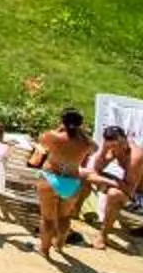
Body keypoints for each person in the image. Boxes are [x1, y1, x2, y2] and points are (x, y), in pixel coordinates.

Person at [30, 110, 96, 263]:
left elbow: (41, 140)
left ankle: (44, 250)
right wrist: (81, 133)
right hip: (71, 181)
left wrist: (59, 129)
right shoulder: (85, 143)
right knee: (64, 217)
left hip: (51, 177)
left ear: (62, 121)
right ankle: (59, 244)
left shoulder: (53, 137)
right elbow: (95, 148)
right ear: (80, 125)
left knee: (47, 218)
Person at [84, 125, 143, 248]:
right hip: (129, 189)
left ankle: (103, 235)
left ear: (125, 139)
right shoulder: (115, 148)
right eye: (112, 146)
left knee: (114, 194)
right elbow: (97, 168)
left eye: (119, 144)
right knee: (87, 174)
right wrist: (104, 150)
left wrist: (110, 182)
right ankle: (75, 212)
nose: (116, 148)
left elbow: (129, 190)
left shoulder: (135, 158)